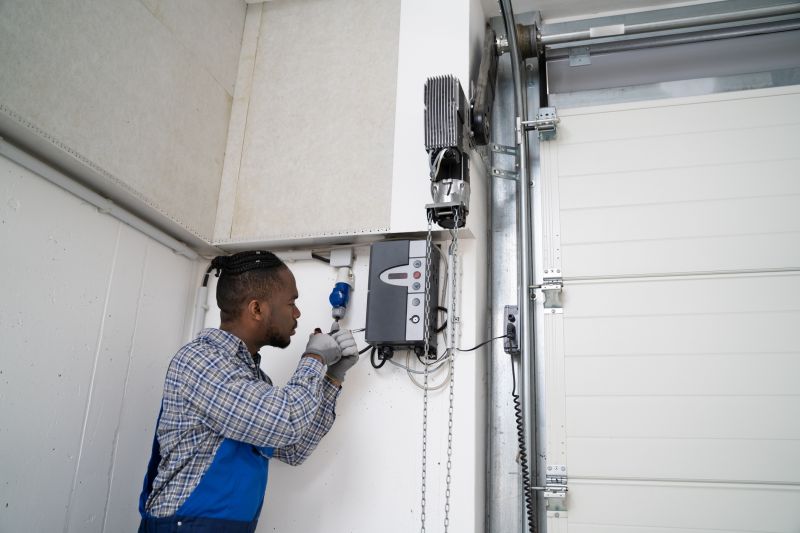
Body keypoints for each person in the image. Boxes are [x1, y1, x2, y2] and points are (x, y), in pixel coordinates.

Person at [137, 250, 359, 532]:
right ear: (256, 309)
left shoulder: (252, 380)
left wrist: (333, 377)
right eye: (291, 302)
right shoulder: (201, 363)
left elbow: (294, 448)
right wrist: (314, 359)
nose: (297, 313)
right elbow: (286, 422)